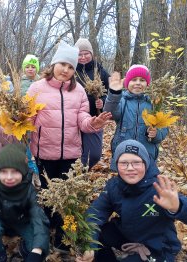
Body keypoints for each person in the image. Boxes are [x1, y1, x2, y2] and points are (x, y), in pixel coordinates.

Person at [27, 40, 112, 252]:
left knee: (68, 198)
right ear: (54, 64)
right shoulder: (36, 88)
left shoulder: (79, 91)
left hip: (71, 155)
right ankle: (45, 232)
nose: (66, 70)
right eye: (63, 64)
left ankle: (63, 237)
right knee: (48, 197)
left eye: (71, 67)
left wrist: (93, 123)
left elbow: (82, 119)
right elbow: (27, 119)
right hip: (44, 154)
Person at [76, 139, 187, 262]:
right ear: (116, 165)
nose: (130, 168)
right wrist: (90, 246)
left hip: (157, 248)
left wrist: (178, 207)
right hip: (129, 237)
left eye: (136, 162)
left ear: (146, 163)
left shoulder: (160, 189)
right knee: (100, 233)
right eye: (124, 163)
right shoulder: (114, 186)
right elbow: (94, 214)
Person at [103, 65, 168, 170]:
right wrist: (114, 94)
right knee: (124, 181)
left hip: (147, 153)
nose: (138, 83)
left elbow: (164, 128)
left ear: (147, 84)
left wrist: (156, 134)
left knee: (146, 181)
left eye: (142, 80)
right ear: (127, 83)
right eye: (134, 80)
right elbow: (109, 112)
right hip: (124, 152)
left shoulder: (154, 103)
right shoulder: (122, 101)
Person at [75, 38, 110, 169]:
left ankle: (84, 169)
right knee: (75, 151)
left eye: (86, 53)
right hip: (74, 118)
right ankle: (78, 176)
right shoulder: (71, 71)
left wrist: (104, 101)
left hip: (94, 118)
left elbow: (112, 93)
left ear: (91, 54)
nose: (83, 57)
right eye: (79, 54)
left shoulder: (101, 72)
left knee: (94, 154)